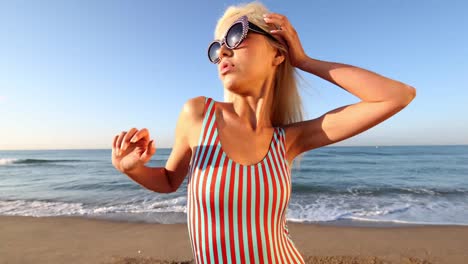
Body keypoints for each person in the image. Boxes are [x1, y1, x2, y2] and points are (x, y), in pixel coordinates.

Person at [111, 2, 416, 263]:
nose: (223, 52)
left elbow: (396, 96)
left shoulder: (288, 141)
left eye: (236, 34)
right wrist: (132, 169)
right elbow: (168, 180)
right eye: (217, 47)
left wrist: (305, 61)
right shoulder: (199, 115)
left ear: (277, 53)